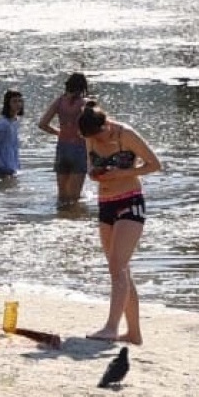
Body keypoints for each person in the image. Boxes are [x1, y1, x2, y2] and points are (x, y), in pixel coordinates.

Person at [79, 100, 161, 344]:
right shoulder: (91, 137)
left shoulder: (127, 134)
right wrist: (95, 173)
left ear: (106, 124)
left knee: (117, 266)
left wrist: (122, 173)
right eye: (93, 138)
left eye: (100, 135)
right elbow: (90, 167)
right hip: (106, 203)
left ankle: (111, 327)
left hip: (130, 201)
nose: (99, 141)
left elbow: (155, 165)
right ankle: (134, 333)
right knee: (120, 269)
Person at [36, 72, 92, 205]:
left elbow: (42, 124)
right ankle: (73, 220)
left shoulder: (59, 101)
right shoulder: (85, 103)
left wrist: (59, 133)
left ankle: (61, 217)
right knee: (75, 197)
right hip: (79, 148)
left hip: (62, 148)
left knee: (62, 196)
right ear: (83, 87)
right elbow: (96, 127)